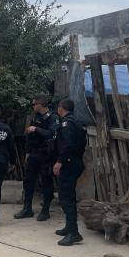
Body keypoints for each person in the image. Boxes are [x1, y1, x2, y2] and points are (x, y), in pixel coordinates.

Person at [14, 95, 59, 221]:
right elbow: (29, 136)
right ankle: (27, 208)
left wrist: (37, 129)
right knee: (28, 182)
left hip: (46, 155)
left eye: (34, 104)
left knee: (46, 182)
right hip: (33, 154)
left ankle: (45, 210)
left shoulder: (53, 117)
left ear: (40, 104)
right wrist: (28, 153)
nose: (33, 106)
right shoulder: (35, 117)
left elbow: (52, 134)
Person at [53, 98, 88, 246]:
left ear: (61, 108)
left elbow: (67, 145)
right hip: (75, 162)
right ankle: (69, 227)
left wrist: (60, 162)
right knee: (68, 196)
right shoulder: (76, 121)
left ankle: (74, 233)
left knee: (66, 197)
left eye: (58, 107)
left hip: (69, 163)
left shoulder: (67, 123)